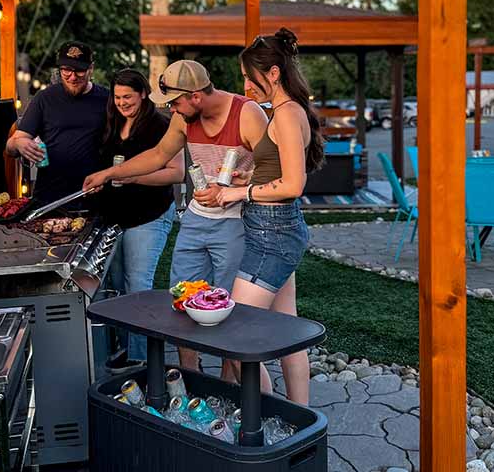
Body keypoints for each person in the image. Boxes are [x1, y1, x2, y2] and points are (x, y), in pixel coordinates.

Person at [83, 59, 268, 375]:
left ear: (195, 95)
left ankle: (227, 382)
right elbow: (158, 155)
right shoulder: (184, 119)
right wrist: (111, 172)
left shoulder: (247, 114)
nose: (172, 110)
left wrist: (240, 182)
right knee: (182, 298)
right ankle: (190, 379)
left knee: (226, 306)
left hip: (237, 221)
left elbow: (273, 171)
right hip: (197, 219)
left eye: (175, 103)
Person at [209, 28, 324, 405]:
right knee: (286, 330)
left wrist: (237, 192)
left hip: (274, 233)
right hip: (270, 229)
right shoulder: (284, 112)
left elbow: (293, 184)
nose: (245, 84)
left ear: (273, 73)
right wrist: (250, 177)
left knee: (232, 333)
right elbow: (278, 171)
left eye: (249, 75)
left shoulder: (288, 115)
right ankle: (301, 417)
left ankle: (267, 414)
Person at [95, 69, 183, 370]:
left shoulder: (160, 124)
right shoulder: (112, 121)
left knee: (138, 285)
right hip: (115, 217)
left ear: (143, 94)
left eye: (128, 97)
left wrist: (133, 177)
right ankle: (128, 348)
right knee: (117, 285)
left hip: (150, 215)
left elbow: (176, 172)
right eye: (117, 97)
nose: (122, 103)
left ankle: (141, 360)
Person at [6, 41, 109, 203]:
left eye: (80, 71)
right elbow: (10, 146)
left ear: (91, 68)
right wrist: (19, 144)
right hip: (49, 199)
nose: (73, 77)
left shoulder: (107, 99)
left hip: (93, 196)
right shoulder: (44, 98)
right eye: (66, 70)